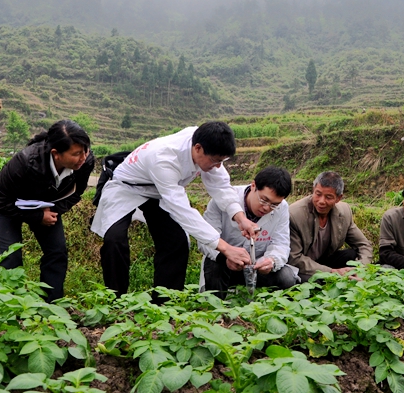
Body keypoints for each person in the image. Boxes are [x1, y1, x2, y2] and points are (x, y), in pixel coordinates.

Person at [91, 121, 255, 298]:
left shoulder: (205, 142)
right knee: (114, 239)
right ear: (198, 148)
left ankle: (165, 303)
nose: (217, 166)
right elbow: (182, 210)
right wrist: (224, 247)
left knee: (176, 242)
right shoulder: (164, 158)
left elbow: (221, 186)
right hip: (126, 187)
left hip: (159, 193)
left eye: (221, 162)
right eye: (215, 161)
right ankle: (116, 300)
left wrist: (240, 218)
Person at [0, 119, 95, 302]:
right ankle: (7, 305)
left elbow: (76, 193)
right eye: (76, 153)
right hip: (8, 204)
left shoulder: (85, 162)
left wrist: (50, 211)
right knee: (11, 255)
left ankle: (51, 306)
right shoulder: (25, 162)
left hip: (45, 204)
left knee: (57, 252)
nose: (83, 157)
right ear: (56, 154)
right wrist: (37, 216)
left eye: (85, 150)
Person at [199, 166, 299, 298]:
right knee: (214, 265)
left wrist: (271, 260)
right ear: (253, 186)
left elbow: (281, 244)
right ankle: (216, 310)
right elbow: (204, 241)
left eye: (274, 205)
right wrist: (226, 256)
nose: (266, 208)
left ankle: (274, 311)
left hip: (257, 267)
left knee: (287, 277)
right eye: (264, 200)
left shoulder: (282, 208)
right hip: (226, 264)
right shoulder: (224, 200)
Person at [288, 171, 373, 282]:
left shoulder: (344, 212)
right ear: (313, 190)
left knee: (351, 255)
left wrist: (361, 269)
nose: (321, 201)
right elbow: (294, 258)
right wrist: (331, 272)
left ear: (338, 198)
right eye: (318, 194)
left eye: (328, 197)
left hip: (326, 260)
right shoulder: (295, 214)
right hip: (304, 266)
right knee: (314, 280)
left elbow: (364, 245)